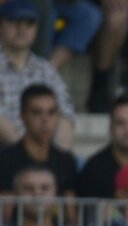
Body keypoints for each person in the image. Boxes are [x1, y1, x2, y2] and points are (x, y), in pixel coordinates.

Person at [0, 0, 75, 149]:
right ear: (1, 25)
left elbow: (66, 116)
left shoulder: (46, 69)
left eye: (29, 23)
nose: (22, 28)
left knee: (79, 164)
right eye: (15, 21)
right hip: (5, 153)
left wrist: (57, 156)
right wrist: (28, 152)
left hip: (43, 152)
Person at [0, 83, 77, 195]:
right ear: (22, 115)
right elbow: (5, 210)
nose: (45, 120)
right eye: (37, 113)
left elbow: (70, 210)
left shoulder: (66, 161)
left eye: (51, 112)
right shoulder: (7, 160)